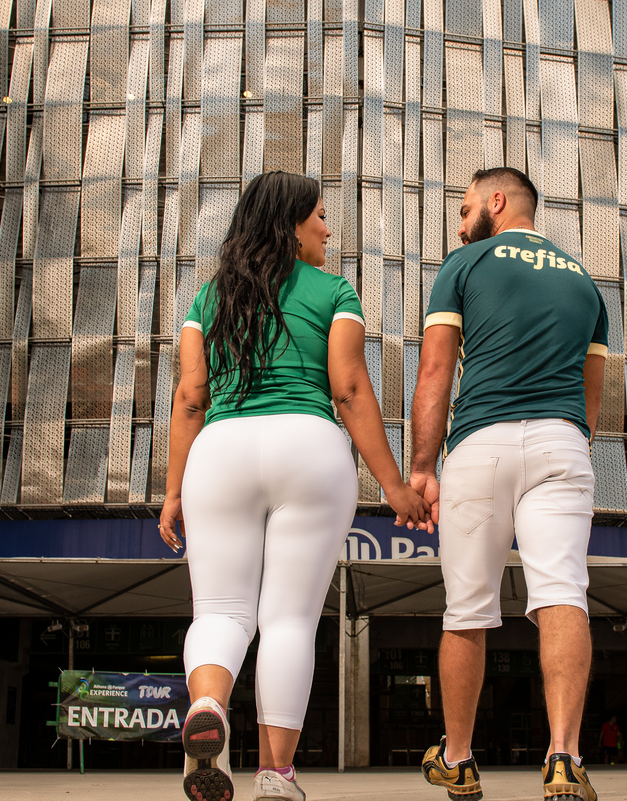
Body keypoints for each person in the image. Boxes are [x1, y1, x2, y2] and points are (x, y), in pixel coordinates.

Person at [158, 171, 431, 801]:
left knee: (222, 612)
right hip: (308, 447)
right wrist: (392, 484)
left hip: (220, 452)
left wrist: (174, 491)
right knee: (288, 620)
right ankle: (276, 776)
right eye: (320, 218)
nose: (328, 230)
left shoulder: (207, 299)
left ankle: (209, 706)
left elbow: (190, 398)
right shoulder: (334, 291)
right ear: (291, 225)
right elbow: (349, 388)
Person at [409, 167, 608, 801]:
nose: (460, 222)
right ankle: (564, 758)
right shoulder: (586, 282)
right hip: (562, 442)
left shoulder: (464, 264)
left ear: (498, 201)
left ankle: (460, 759)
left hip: (481, 445)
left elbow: (436, 371)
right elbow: (591, 396)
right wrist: (569, 443)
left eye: (465, 208)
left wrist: (420, 468)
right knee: (562, 596)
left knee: (467, 609)